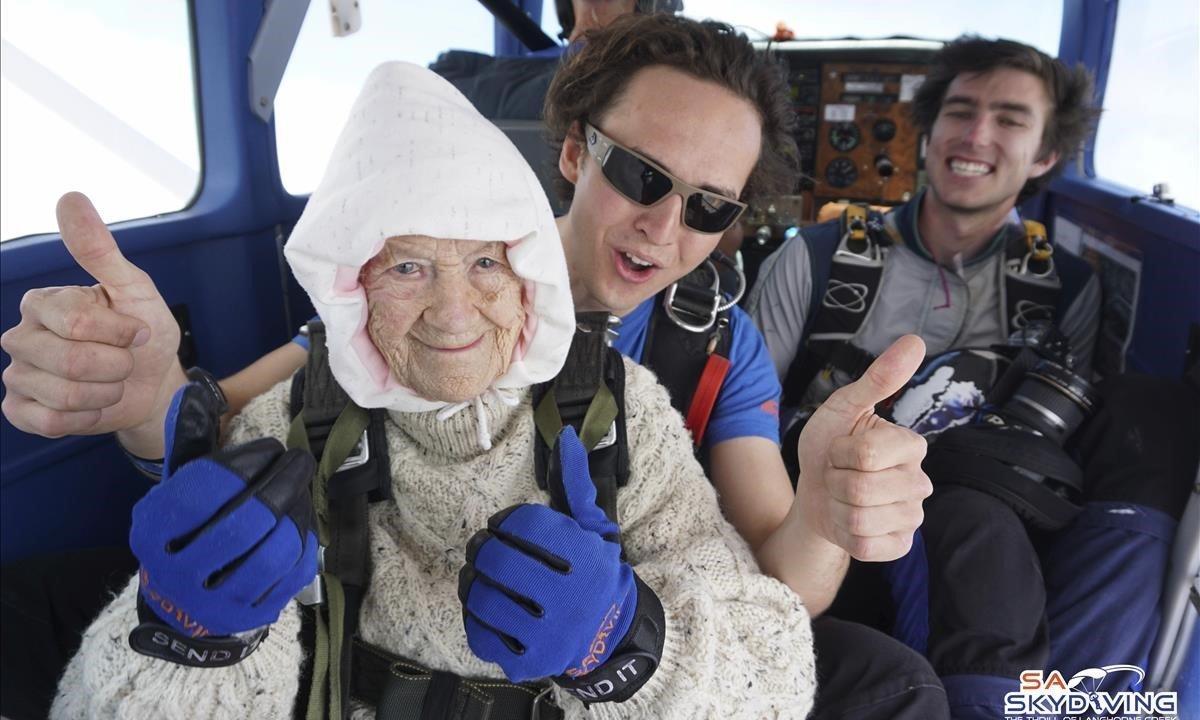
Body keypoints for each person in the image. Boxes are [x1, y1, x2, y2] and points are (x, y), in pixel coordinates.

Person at [1, 15, 945, 720]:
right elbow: (239, 434)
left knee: (890, 679)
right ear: (575, 153)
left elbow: (775, 577)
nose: (664, 226)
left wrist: (822, 510)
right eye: (643, 177)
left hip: (605, 635)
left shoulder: (714, 347)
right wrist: (142, 401)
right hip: (357, 641)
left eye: (707, 207)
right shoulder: (377, 324)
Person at [748, 35, 1199, 719]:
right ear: (927, 130)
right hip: (833, 513)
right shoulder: (814, 260)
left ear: (1046, 154)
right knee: (972, 519)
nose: (977, 134)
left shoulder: (1068, 289)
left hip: (988, 519)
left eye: (1010, 119)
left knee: (1145, 418)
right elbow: (740, 418)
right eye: (960, 110)